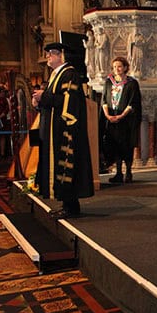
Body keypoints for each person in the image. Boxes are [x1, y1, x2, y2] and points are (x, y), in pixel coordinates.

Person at [32, 42, 94, 219]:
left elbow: (71, 102)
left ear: (62, 55)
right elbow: (54, 102)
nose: (48, 57)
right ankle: (66, 204)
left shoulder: (70, 74)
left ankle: (71, 207)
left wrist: (45, 96)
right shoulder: (55, 75)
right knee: (59, 167)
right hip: (54, 129)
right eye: (48, 53)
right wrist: (39, 102)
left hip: (65, 131)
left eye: (52, 53)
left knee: (66, 167)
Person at [102, 56, 142, 184]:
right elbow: (104, 100)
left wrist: (121, 116)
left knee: (126, 146)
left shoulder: (131, 83)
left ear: (125, 67)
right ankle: (118, 173)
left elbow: (133, 102)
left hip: (126, 121)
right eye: (114, 67)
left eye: (119, 66)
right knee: (115, 146)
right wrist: (108, 116)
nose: (116, 69)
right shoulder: (109, 82)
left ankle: (128, 172)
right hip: (112, 119)